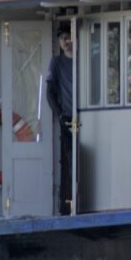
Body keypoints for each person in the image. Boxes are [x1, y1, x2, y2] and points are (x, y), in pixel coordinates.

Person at [46, 28, 75, 214]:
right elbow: (49, 92)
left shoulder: (84, 59)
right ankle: (68, 205)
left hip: (85, 116)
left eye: (68, 37)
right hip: (68, 118)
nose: (66, 41)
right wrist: (59, 115)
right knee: (70, 159)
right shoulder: (56, 63)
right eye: (62, 38)